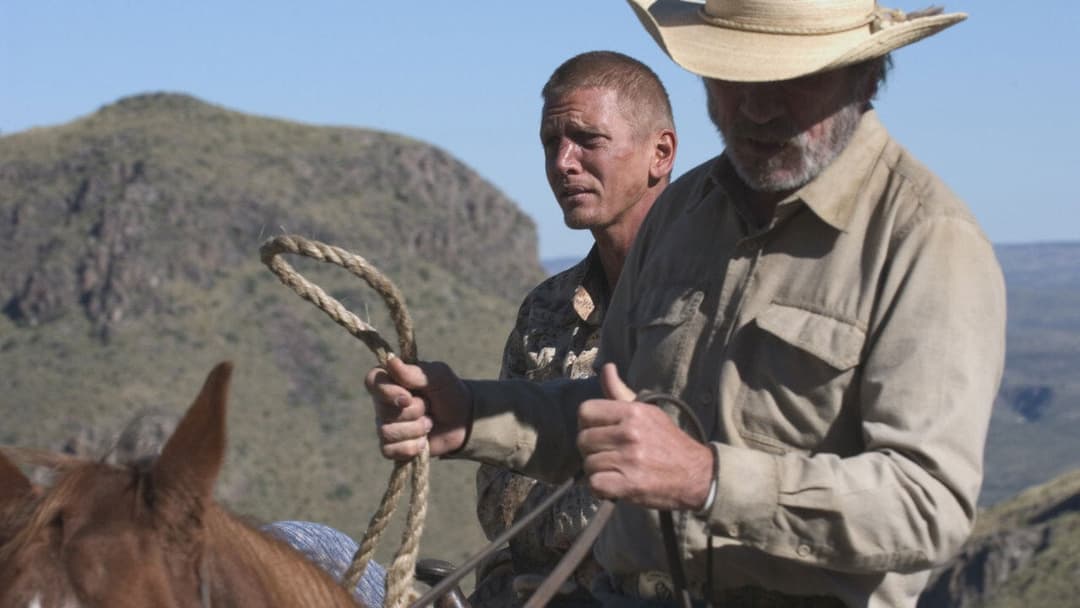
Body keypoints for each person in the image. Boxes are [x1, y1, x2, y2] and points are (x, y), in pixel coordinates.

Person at [367, 1, 1007, 606]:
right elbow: (605, 410)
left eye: (790, 80)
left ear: (864, 78)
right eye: (732, 77)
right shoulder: (682, 215)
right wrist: (472, 415)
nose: (755, 108)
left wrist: (709, 479)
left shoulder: (924, 241)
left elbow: (928, 507)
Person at [471, 51, 676, 608]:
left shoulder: (704, 297)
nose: (563, 162)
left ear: (660, 153)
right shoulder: (547, 309)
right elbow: (500, 506)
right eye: (549, 143)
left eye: (587, 140)